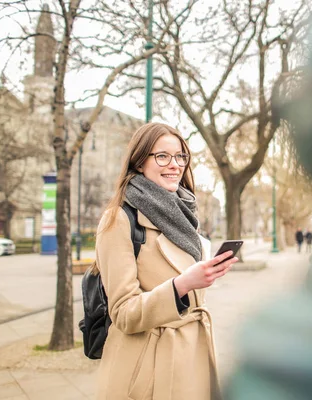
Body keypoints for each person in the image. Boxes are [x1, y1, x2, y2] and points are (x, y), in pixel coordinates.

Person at [94, 123, 239, 400]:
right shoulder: (118, 220)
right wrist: (181, 285)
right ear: (139, 163)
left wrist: (205, 275)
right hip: (151, 368)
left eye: (180, 156)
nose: (174, 165)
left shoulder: (182, 214)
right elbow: (123, 313)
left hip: (192, 358)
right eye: (162, 156)